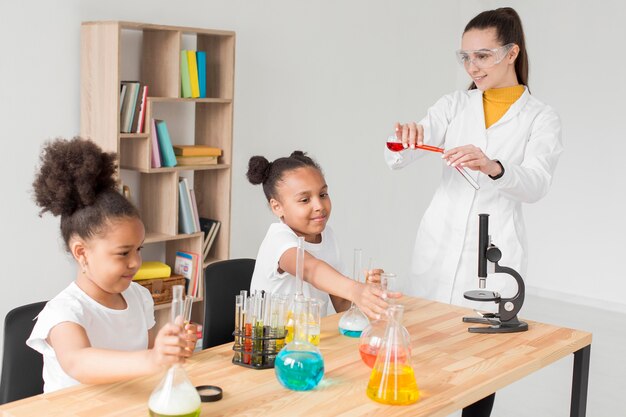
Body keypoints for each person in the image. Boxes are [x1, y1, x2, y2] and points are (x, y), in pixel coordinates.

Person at [385, 7, 563, 417]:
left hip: (495, 245)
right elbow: (396, 156)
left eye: (482, 56)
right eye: (465, 57)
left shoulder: (541, 117)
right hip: (438, 240)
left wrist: (493, 166)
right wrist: (404, 139)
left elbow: (536, 183)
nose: (472, 66)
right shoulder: (453, 105)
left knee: (481, 363)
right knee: (423, 349)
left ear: (511, 52)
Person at [27, 137, 197, 393]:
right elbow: (79, 362)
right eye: (123, 253)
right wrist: (152, 359)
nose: (136, 262)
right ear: (82, 253)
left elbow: (149, 357)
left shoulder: (139, 297)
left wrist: (171, 349)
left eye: (139, 249)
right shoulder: (63, 312)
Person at [247, 151, 392, 319]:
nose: (319, 206)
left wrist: (366, 294)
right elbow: (310, 269)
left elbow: (342, 305)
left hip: (310, 340)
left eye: (323, 195)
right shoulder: (278, 239)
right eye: (304, 200)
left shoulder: (327, 236)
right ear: (277, 207)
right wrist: (355, 289)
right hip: (272, 343)